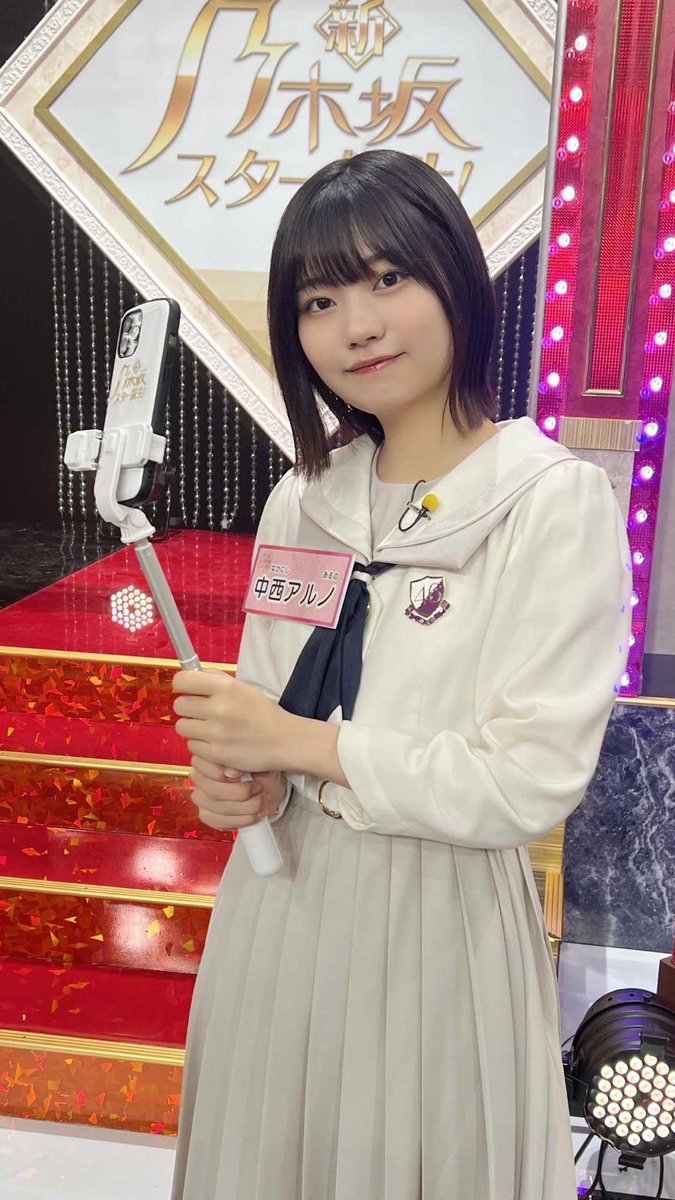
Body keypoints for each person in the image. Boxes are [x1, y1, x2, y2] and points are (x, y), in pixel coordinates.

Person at [169, 149, 632, 1200]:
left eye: (388, 279)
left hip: (440, 924)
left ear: (455, 279)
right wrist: (242, 780)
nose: (358, 327)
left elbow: (526, 780)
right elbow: (269, 704)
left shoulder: (549, 502)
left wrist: (299, 744)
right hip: (278, 908)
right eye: (320, 301)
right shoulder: (306, 496)